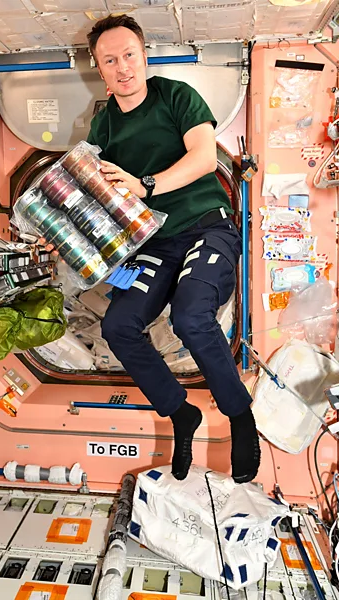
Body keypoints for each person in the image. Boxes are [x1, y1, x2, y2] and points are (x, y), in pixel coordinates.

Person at [86, 14, 260, 483]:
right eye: (110, 60)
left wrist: (146, 185)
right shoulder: (101, 128)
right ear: (98, 68)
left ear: (144, 56)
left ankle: (241, 417)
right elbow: (88, 192)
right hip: (155, 242)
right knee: (118, 325)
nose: (122, 67)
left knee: (190, 316)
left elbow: (205, 158)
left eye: (129, 55)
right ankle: (180, 412)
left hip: (207, 226)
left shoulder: (176, 96)